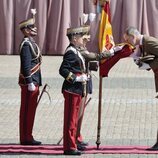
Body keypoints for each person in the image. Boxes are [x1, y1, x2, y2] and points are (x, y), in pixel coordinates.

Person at [59, 25, 123, 155]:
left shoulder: (76, 50)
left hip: (77, 90)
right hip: (72, 89)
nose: (85, 39)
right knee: (70, 120)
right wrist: (76, 78)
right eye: (82, 37)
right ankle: (69, 147)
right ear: (75, 38)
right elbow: (63, 70)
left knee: (74, 119)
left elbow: (83, 63)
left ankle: (72, 144)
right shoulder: (71, 52)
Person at [123, 26, 158, 150]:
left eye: (128, 40)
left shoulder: (148, 41)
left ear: (134, 36)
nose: (128, 43)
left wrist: (149, 63)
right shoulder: (142, 45)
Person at [18, 9, 42, 145]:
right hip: (29, 82)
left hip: (34, 80)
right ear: (26, 30)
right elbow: (26, 65)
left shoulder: (31, 42)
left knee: (30, 111)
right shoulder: (26, 45)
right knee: (27, 110)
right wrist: (29, 82)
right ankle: (25, 137)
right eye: (32, 27)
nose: (35, 28)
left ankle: (28, 135)